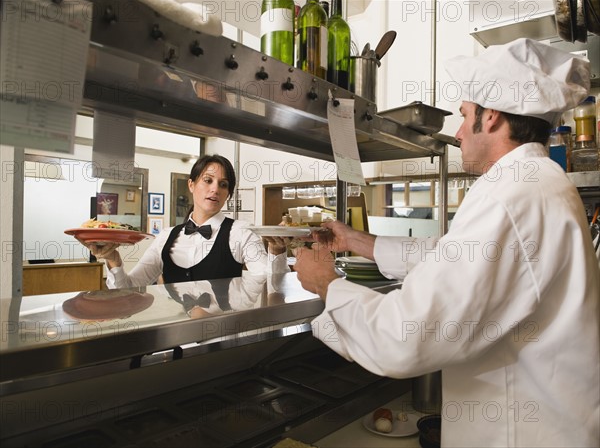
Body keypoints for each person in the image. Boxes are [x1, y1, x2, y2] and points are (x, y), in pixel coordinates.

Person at [294, 38, 599, 447]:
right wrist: (356, 241)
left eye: (464, 115)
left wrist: (325, 283)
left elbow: (406, 336)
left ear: (490, 117)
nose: (458, 133)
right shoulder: (540, 182)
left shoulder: (508, 195)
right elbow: (453, 257)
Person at [85, 155, 289, 288]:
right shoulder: (166, 236)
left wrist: (277, 253)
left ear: (228, 194)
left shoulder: (241, 232)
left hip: (221, 339)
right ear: (191, 185)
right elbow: (127, 289)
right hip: (173, 339)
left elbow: (271, 285)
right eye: (208, 180)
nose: (215, 189)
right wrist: (112, 259)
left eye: (223, 184)